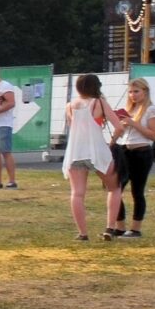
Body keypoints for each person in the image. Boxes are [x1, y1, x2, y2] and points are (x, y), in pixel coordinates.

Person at [107, 79, 155, 239]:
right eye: (131, 92)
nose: (133, 95)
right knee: (116, 188)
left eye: (136, 91)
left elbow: (153, 135)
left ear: (145, 91)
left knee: (137, 191)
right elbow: (120, 131)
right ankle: (119, 227)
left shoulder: (151, 110)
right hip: (125, 150)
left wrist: (134, 123)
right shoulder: (128, 109)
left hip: (142, 151)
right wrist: (112, 142)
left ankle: (135, 229)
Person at [61, 73, 115, 241]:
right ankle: (110, 227)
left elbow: (74, 127)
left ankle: (83, 233)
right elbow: (118, 126)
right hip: (97, 149)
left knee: (77, 193)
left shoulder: (69, 106)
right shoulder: (99, 103)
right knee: (114, 187)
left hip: (76, 151)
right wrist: (112, 143)